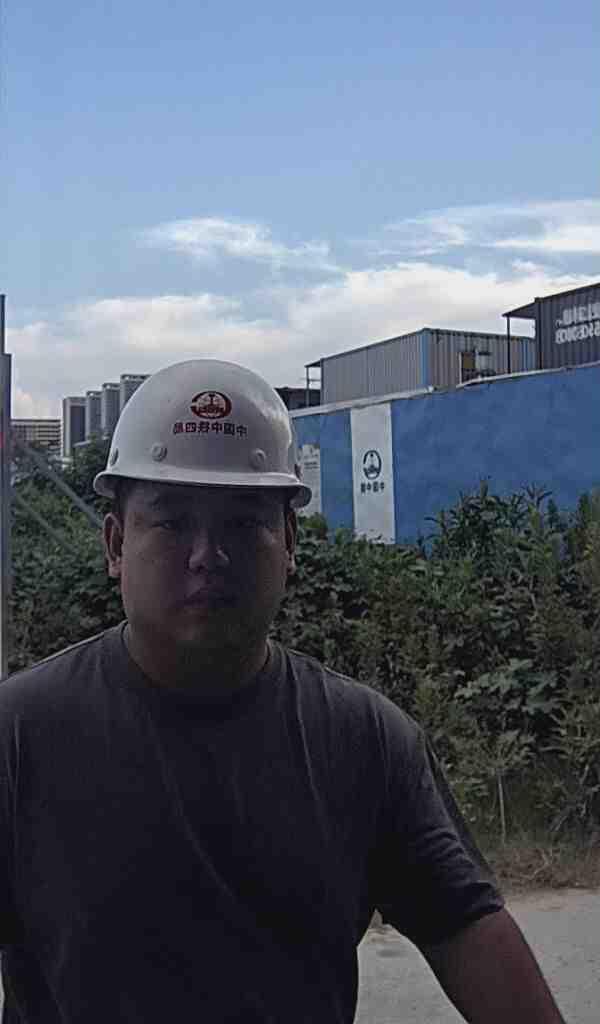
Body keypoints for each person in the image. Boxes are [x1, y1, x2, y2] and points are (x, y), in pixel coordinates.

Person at [0, 359, 565, 1023]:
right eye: (172, 521)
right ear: (116, 543)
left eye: (242, 523)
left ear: (289, 541)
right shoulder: (21, 735)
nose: (207, 555)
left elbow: (468, 928)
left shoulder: (364, 741)